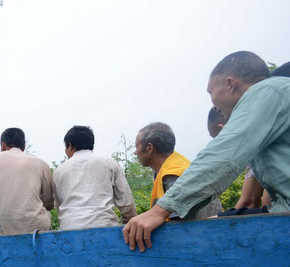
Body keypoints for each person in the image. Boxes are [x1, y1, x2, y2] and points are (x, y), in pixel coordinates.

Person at [123, 51, 290, 252]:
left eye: (211, 93)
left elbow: (223, 155)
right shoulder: (274, 102)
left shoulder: (267, 92)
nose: (213, 104)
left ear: (230, 84)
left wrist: (157, 212)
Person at [52, 125, 137, 230]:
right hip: (105, 226)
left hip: (70, 228)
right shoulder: (109, 163)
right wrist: (128, 224)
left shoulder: (59, 171)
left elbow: (59, 206)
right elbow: (126, 202)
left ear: (69, 145)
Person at [135, 122, 221, 219]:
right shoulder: (172, 166)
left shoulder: (173, 174)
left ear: (149, 148)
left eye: (137, 146)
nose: (135, 152)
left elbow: (179, 223)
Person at [0, 127, 55, 235]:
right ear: (24, 146)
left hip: (3, 226)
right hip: (36, 228)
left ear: (3, 145)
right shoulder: (41, 164)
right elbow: (49, 201)